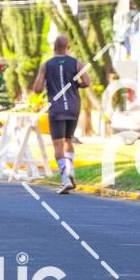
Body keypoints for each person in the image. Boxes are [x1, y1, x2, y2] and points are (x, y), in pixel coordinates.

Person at [33, 34, 90, 194]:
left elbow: (37, 89)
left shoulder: (46, 65)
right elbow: (87, 82)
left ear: (54, 47)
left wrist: (49, 83)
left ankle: (65, 178)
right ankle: (70, 168)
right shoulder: (77, 63)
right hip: (73, 106)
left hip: (56, 108)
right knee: (68, 140)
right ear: (68, 47)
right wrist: (75, 85)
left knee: (58, 145)